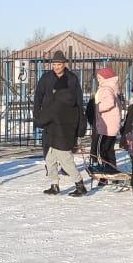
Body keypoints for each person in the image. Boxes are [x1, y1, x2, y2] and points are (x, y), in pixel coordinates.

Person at [33, 50, 88, 197]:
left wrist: (80, 126)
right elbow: (38, 96)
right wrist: (37, 115)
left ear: (64, 64)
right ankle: (54, 185)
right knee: (49, 157)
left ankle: (80, 185)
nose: (56, 67)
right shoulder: (46, 78)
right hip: (50, 124)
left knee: (65, 159)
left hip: (64, 126)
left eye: (59, 64)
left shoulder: (72, 79)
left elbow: (79, 103)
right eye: (54, 64)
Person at [91, 67, 123, 185]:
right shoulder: (113, 88)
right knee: (109, 151)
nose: (98, 80)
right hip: (111, 126)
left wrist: (97, 107)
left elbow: (109, 102)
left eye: (100, 78)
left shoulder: (106, 89)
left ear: (105, 78)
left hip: (106, 127)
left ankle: (104, 176)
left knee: (102, 151)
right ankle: (113, 174)